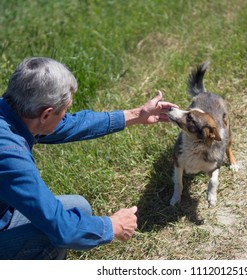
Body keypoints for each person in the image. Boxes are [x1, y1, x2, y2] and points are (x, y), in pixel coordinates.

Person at [0, 57, 178, 260]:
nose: (66, 115)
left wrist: (137, 115)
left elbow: (72, 125)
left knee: (79, 208)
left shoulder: (12, 113)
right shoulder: (9, 154)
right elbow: (64, 230)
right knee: (50, 238)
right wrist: (112, 226)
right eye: (65, 109)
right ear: (46, 114)